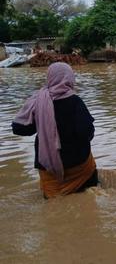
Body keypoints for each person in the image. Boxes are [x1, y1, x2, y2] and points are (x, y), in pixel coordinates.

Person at [11, 62, 98, 199]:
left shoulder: (37, 101)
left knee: (52, 203)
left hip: (48, 167)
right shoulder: (75, 101)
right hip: (78, 165)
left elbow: (19, 129)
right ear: (70, 78)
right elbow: (86, 132)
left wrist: (41, 122)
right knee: (90, 197)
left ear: (49, 77)